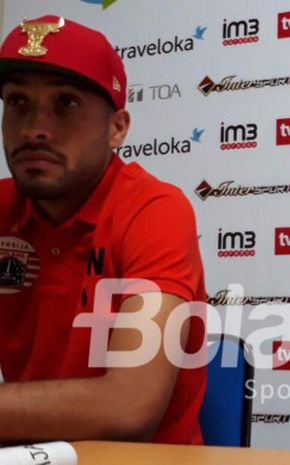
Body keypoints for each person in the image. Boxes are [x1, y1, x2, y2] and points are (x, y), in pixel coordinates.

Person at [0, 16, 206, 444]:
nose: (34, 129)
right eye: (17, 102)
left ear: (118, 128)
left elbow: (129, 407)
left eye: (67, 104)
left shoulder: (154, 210)